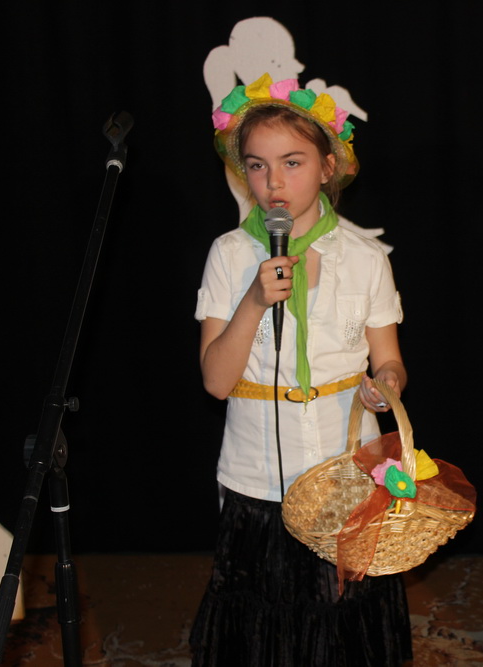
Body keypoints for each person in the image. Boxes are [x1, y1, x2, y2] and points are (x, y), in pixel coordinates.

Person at [191, 73, 412, 666]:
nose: (274, 182)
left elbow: (389, 359)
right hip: (257, 478)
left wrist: (387, 386)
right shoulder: (230, 255)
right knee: (263, 631)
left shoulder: (366, 258)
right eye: (257, 166)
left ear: (327, 167)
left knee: (344, 628)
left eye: (292, 163)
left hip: (348, 473)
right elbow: (215, 381)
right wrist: (253, 301)